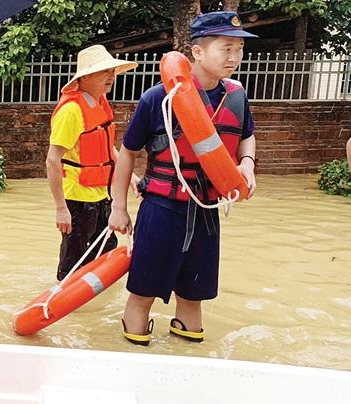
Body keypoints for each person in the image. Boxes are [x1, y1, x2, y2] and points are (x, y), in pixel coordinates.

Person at [109, 11, 258, 346]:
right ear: (199, 52)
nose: (234, 57)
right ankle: (134, 360)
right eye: (226, 48)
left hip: (206, 211)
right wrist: (119, 207)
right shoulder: (158, 98)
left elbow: (247, 134)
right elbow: (128, 152)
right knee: (142, 295)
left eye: (239, 49)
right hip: (162, 209)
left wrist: (246, 163)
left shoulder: (236, 95)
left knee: (193, 298)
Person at [46, 45, 139, 281]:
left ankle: (98, 307)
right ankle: (66, 308)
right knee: (73, 260)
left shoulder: (100, 103)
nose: (110, 76)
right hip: (76, 198)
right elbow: (52, 160)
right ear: (85, 76)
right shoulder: (72, 111)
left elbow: (108, 149)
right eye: (103, 71)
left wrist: (133, 179)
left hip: (101, 195)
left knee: (105, 251)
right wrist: (61, 209)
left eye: (111, 71)